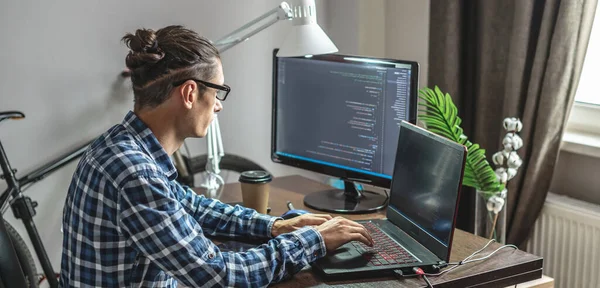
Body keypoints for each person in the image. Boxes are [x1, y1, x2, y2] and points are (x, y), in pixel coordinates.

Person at [59, 25, 373, 288]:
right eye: (218, 92)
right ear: (190, 93)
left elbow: (192, 207)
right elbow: (220, 275)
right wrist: (315, 241)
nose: (219, 105)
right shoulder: (136, 174)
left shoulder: (120, 146)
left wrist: (274, 226)